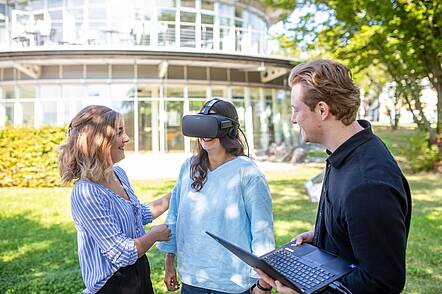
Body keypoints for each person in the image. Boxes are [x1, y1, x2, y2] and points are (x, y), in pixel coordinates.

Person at [256, 60, 412, 294]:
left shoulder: (367, 184)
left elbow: (382, 283)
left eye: (296, 109)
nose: (293, 119)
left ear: (322, 110)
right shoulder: (345, 151)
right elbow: (355, 225)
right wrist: (322, 237)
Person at [157, 99, 276, 294]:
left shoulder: (247, 173)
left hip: (232, 284)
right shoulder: (188, 168)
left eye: (211, 124)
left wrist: (263, 285)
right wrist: (170, 262)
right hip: (192, 279)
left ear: (228, 128)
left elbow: (262, 231)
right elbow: (174, 216)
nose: (204, 132)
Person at [58, 105, 171, 294]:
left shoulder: (118, 174)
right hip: (113, 285)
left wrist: (175, 195)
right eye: (119, 133)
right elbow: (122, 253)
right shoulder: (86, 193)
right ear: (98, 141)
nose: (126, 138)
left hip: (139, 272)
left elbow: (138, 214)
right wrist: (154, 235)